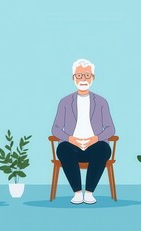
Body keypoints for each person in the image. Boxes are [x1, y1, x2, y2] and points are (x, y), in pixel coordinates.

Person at [52, 59, 115, 204]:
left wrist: (96, 138)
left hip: (94, 145)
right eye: (79, 76)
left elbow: (110, 128)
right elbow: (55, 128)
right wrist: (69, 138)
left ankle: (89, 192)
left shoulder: (101, 102)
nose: (83, 80)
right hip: (72, 146)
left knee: (104, 148)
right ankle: (77, 192)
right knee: (62, 149)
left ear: (93, 78)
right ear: (73, 78)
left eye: (87, 76)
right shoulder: (65, 102)